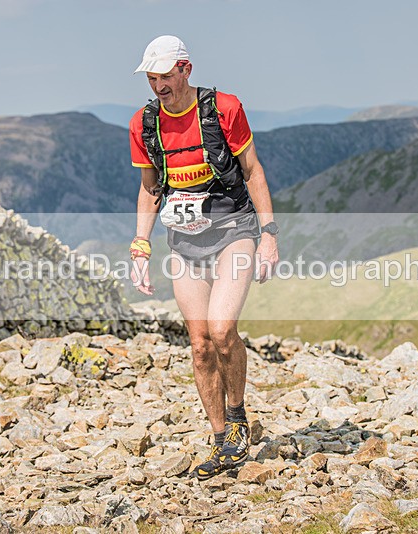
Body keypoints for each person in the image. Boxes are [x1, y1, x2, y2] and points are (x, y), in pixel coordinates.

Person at [128, 35, 279, 480]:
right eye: (151, 78)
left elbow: (252, 170)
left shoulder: (223, 108)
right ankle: (221, 439)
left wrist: (268, 234)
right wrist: (141, 245)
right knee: (198, 346)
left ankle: (237, 416)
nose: (158, 86)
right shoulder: (145, 124)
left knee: (221, 330)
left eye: (164, 77)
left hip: (234, 230)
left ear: (185, 70)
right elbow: (150, 187)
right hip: (184, 241)